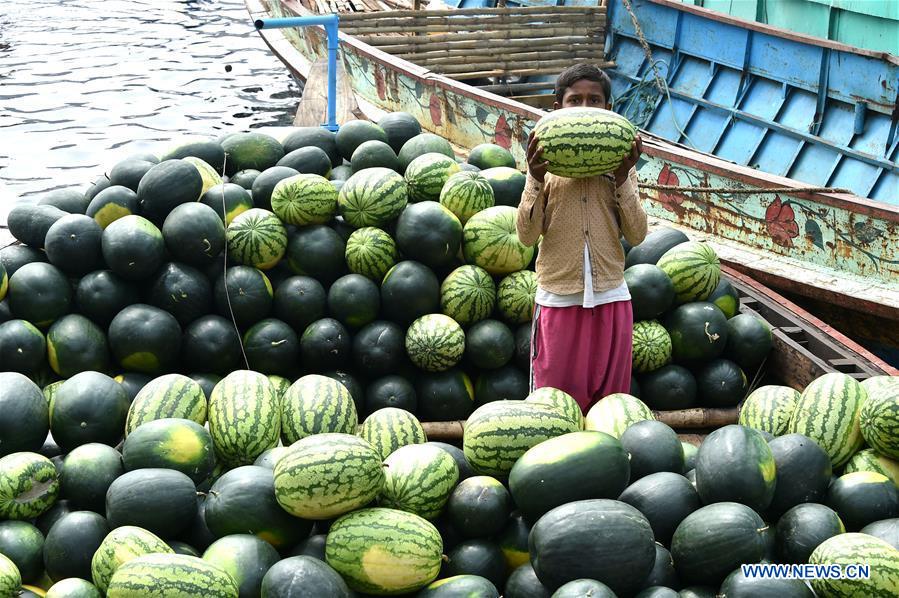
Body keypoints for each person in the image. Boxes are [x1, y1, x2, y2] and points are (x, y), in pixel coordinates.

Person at [516, 63, 647, 414]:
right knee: (554, 406)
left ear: (608, 109)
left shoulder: (620, 166)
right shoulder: (543, 166)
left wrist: (621, 178)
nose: (585, 107)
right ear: (557, 109)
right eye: (575, 100)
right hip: (559, 297)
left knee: (610, 406)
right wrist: (533, 178)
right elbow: (526, 237)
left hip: (611, 297)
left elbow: (637, 234)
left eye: (595, 100)